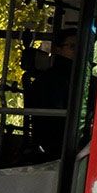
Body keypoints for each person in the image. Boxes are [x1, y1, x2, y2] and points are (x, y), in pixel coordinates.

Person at [29, 28, 78, 156]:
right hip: (58, 143)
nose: (78, 51)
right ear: (57, 50)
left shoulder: (75, 76)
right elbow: (54, 120)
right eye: (72, 46)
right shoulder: (53, 80)